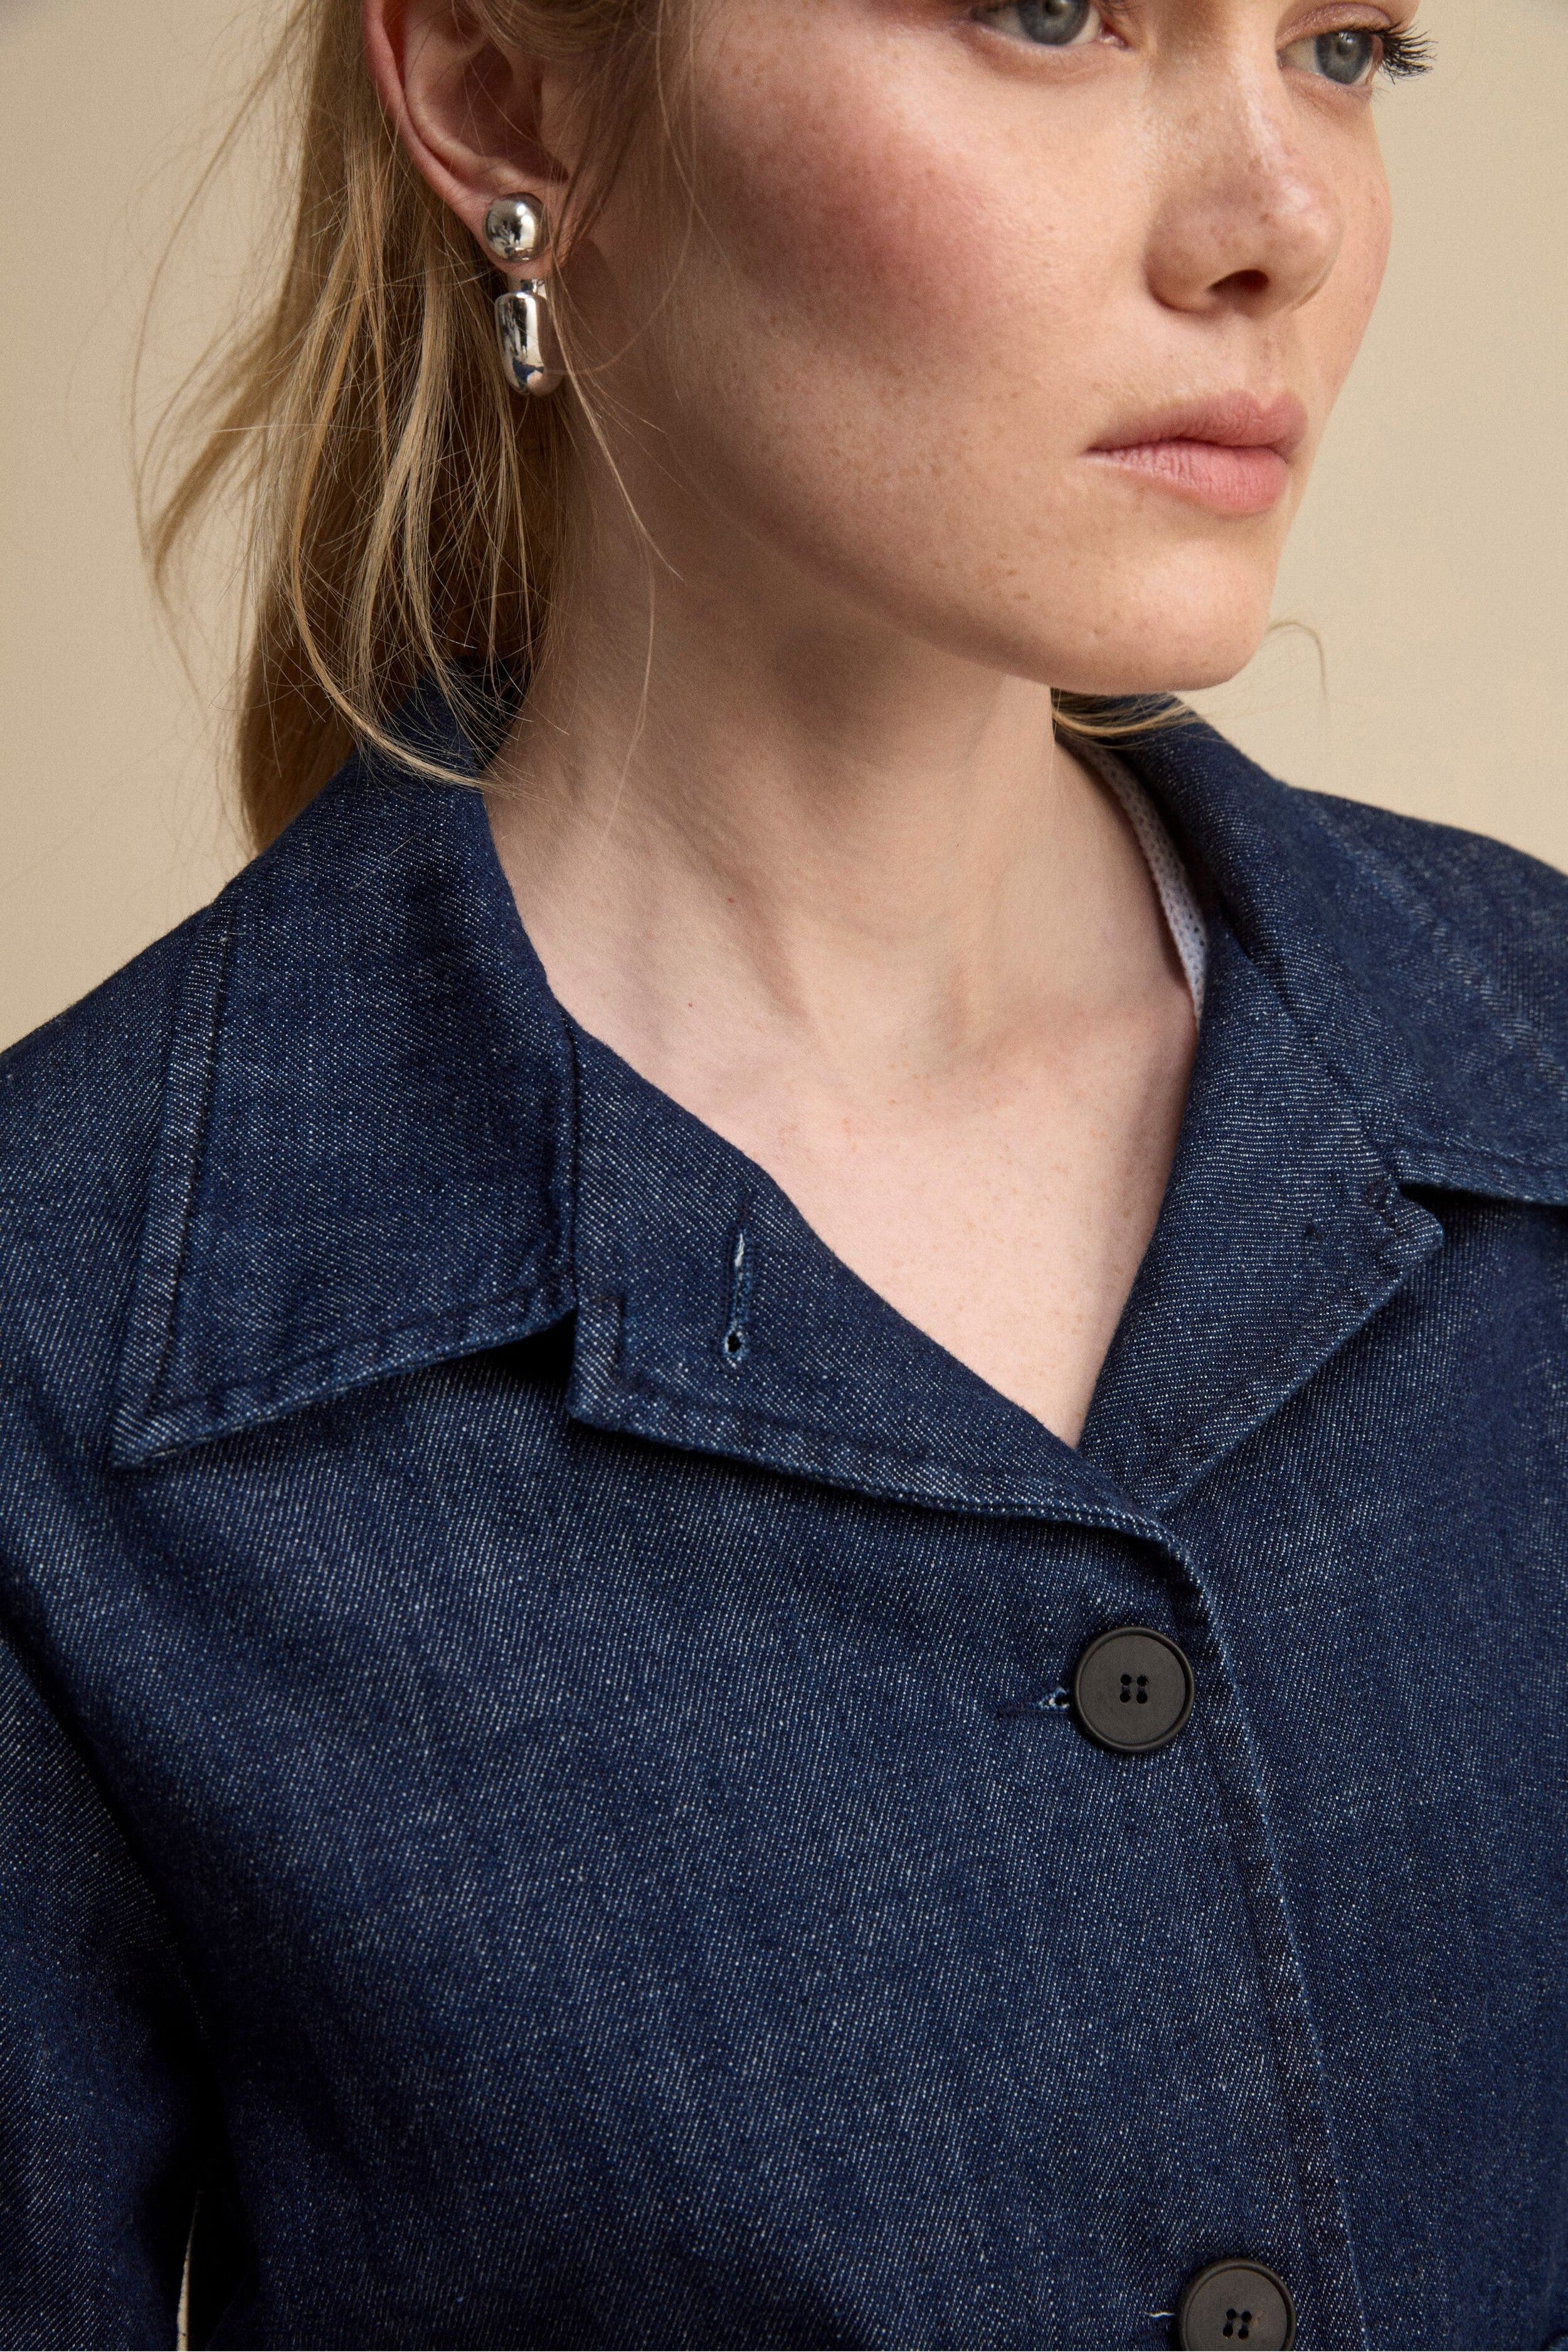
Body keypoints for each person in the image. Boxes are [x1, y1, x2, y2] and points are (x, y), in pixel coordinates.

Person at [3, 0, 1564, 2346]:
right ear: (505, 96)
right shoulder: (64, 1367)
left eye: (1345, 45)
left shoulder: (1533, 1069)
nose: (1282, 225)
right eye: (1051, 11)